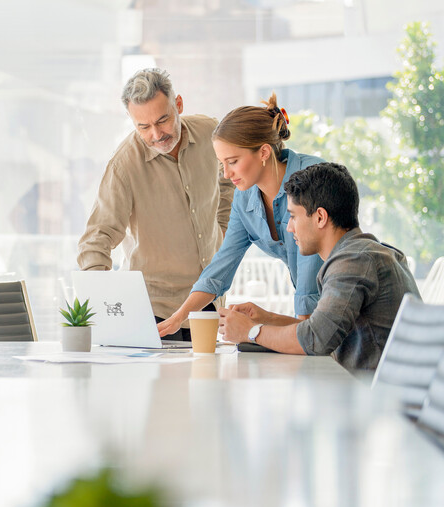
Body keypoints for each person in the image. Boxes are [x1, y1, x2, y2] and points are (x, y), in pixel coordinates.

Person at [78, 68, 235, 340]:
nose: (156, 134)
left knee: (209, 382)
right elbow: (96, 239)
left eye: (163, 120)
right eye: (143, 126)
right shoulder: (124, 165)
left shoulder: (211, 132)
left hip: (208, 303)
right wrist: (106, 309)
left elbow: (228, 180)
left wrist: (221, 229)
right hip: (154, 312)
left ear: (179, 105)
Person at [218, 163, 420, 372]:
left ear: (320, 217)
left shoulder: (353, 261)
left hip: (375, 399)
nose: (289, 227)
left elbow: (316, 339)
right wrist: (267, 319)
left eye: (293, 216)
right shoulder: (364, 252)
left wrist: (251, 332)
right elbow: (323, 329)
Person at [157, 93, 325, 338]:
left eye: (233, 161)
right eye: (222, 164)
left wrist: (266, 332)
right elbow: (220, 268)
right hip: (319, 320)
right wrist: (178, 318)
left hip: (347, 306)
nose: (226, 174)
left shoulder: (311, 180)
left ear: (264, 152)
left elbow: (310, 284)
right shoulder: (245, 198)